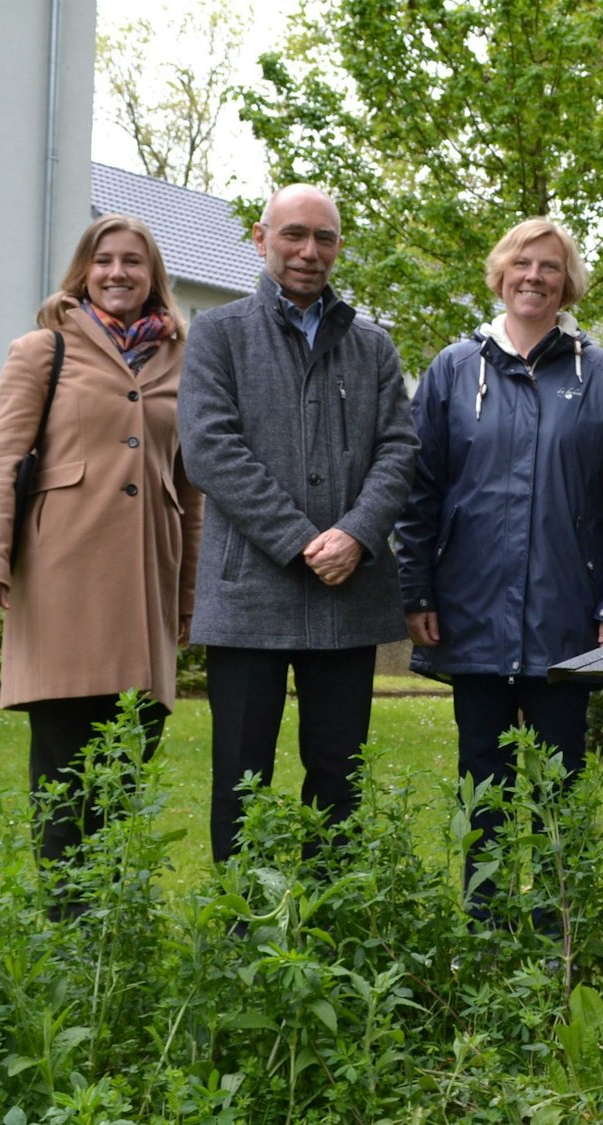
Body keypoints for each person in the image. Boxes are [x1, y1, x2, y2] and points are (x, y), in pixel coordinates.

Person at [395, 217, 603, 915]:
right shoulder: (455, 369)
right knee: (481, 778)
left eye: (548, 266)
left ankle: (558, 931)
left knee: (558, 785)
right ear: (500, 274)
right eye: (521, 263)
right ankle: (482, 921)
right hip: (471, 614)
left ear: (566, 282)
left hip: (567, 619)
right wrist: (415, 585)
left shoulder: (600, 378)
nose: (533, 276)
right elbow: (419, 490)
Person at [0, 214, 203, 912]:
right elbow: (1, 458)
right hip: (62, 580)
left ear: (153, 275)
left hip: (146, 589)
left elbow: (191, 486)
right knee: (64, 770)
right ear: (83, 272)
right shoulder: (43, 350)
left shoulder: (180, 360)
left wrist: (190, 601)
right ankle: (68, 925)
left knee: (128, 762)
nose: (118, 272)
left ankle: (113, 929)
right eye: (105, 261)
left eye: (134, 261)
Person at [178, 184, 418, 864]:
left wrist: (358, 532)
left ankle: (330, 925)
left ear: (340, 246)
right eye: (294, 235)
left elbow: (400, 448)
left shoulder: (372, 347)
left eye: (325, 238)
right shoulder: (219, 335)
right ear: (261, 238)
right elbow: (210, 449)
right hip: (249, 596)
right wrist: (300, 539)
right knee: (241, 780)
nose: (309, 251)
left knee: (340, 780)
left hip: (348, 599)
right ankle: (241, 932)